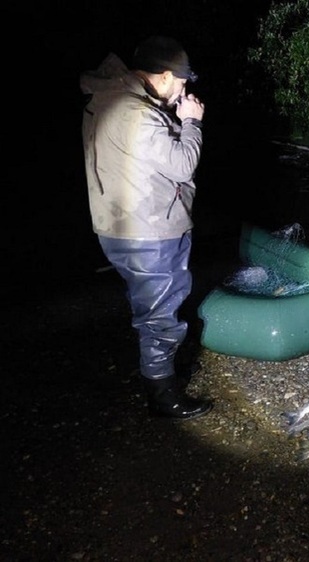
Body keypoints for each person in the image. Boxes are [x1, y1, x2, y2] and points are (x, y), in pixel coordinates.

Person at [80, 36, 213, 419]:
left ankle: (157, 377)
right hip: (150, 230)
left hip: (119, 224)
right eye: (183, 83)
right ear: (167, 75)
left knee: (149, 307)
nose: (185, 90)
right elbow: (182, 163)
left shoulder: (108, 98)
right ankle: (163, 398)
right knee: (160, 315)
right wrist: (190, 121)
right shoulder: (136, 113)